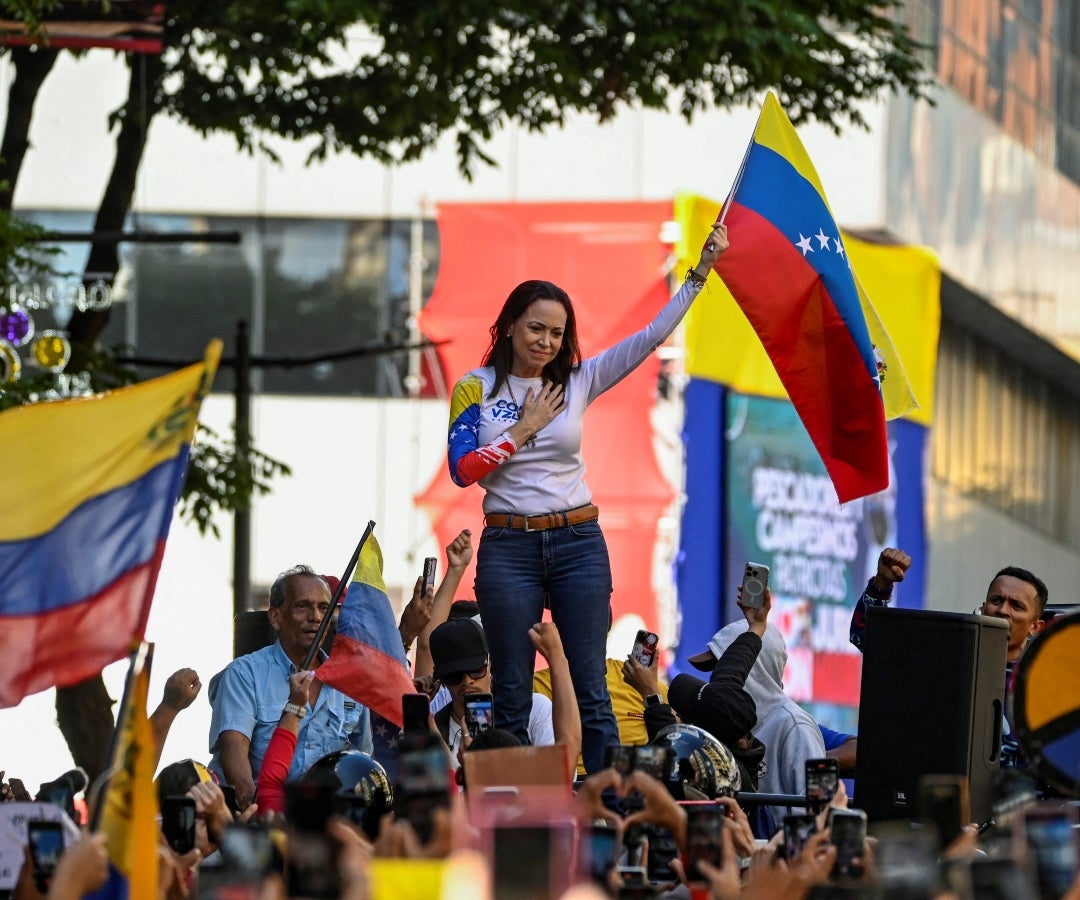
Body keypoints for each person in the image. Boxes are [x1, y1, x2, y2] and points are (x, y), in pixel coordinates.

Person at [446, 222, 730, 773]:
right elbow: (462, 470)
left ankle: (601, 810)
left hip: (577, 539)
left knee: (591, 686)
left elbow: (648, 338)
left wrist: (699, 274)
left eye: (557, 332)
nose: (546, 342)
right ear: (507, 327)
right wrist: (521, 431)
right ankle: (510, 814)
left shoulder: (577, 381)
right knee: (510, 692)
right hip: (509, 544)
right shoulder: (475, 387)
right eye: (535, 328)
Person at [850, 547, 1049, 771]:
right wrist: (881, 584)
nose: (1003, 610)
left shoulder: (1046, 688)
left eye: (1017, 606)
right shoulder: (947, 660)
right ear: (983, 608)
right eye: (996, 600)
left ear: (1035, 627)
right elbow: (868, 639)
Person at [207, 564, 373, 809]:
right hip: (257, 820)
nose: (315, 616)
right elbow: (234, 754)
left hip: (325, 828)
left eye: (323, 608)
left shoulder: (350, 681)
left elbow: (362, 762)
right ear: (275, 617)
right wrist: (261, 814)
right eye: (302, 606)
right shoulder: (244, 674)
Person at [688, 597, 826, 827]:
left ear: (754, 670)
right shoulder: (718, 724)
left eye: (723, 669)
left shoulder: (794, 727)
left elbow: (819, 821)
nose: (715, 681)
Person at [428, 617, 582, 770]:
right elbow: (565, 762)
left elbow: (561, 768)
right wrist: (557, 658)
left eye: (476, 670)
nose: (467, 681)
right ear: (440, 678)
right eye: (453, 676)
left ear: (490, 663)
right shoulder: (431, 732)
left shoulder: (535, 709)